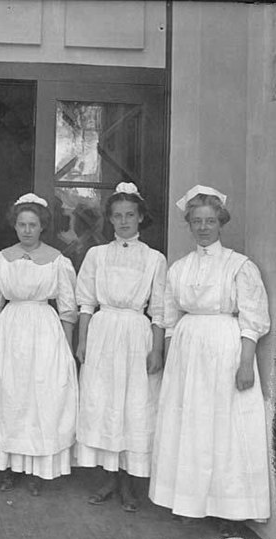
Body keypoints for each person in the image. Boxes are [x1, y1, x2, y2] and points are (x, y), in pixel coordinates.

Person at [149, 185, 271, 537]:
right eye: (197, 221)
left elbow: (253, 318)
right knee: (190, 424)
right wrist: (172, 360)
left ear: (221, 223)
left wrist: (246, 362)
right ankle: (189, 500)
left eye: (210, 221)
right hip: (188, 352)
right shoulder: (180, 268)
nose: (203, 227)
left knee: (224, 425)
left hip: (225, 348)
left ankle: (227, 507)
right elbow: (168, 317)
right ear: (189, 224)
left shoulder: (239, 265)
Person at [0, 193, 78, 495]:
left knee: (39, 397)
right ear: (14, 226)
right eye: (21, 224)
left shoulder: (58, 260)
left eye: (32, 225)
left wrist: (66, 349)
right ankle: (9, 466)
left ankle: (37, 468)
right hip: (10, 329)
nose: (27, 230)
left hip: (45, 331)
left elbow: (68, 308)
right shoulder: (1, 259)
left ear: (42, 226)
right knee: (11, 396)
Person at [74, 182, 166, 512]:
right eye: (117, 216)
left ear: (140, 218)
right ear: (109, 220)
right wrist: (83, 341)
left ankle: (129, 484)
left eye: (130, 215)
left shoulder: (154, 259)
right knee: (103, 403)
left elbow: (159, 310)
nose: (124, 221)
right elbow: (85, 302)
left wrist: (156, 350)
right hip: (102, 333)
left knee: (134, 405)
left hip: (136, 335)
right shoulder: (96, 255)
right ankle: (108, 478)